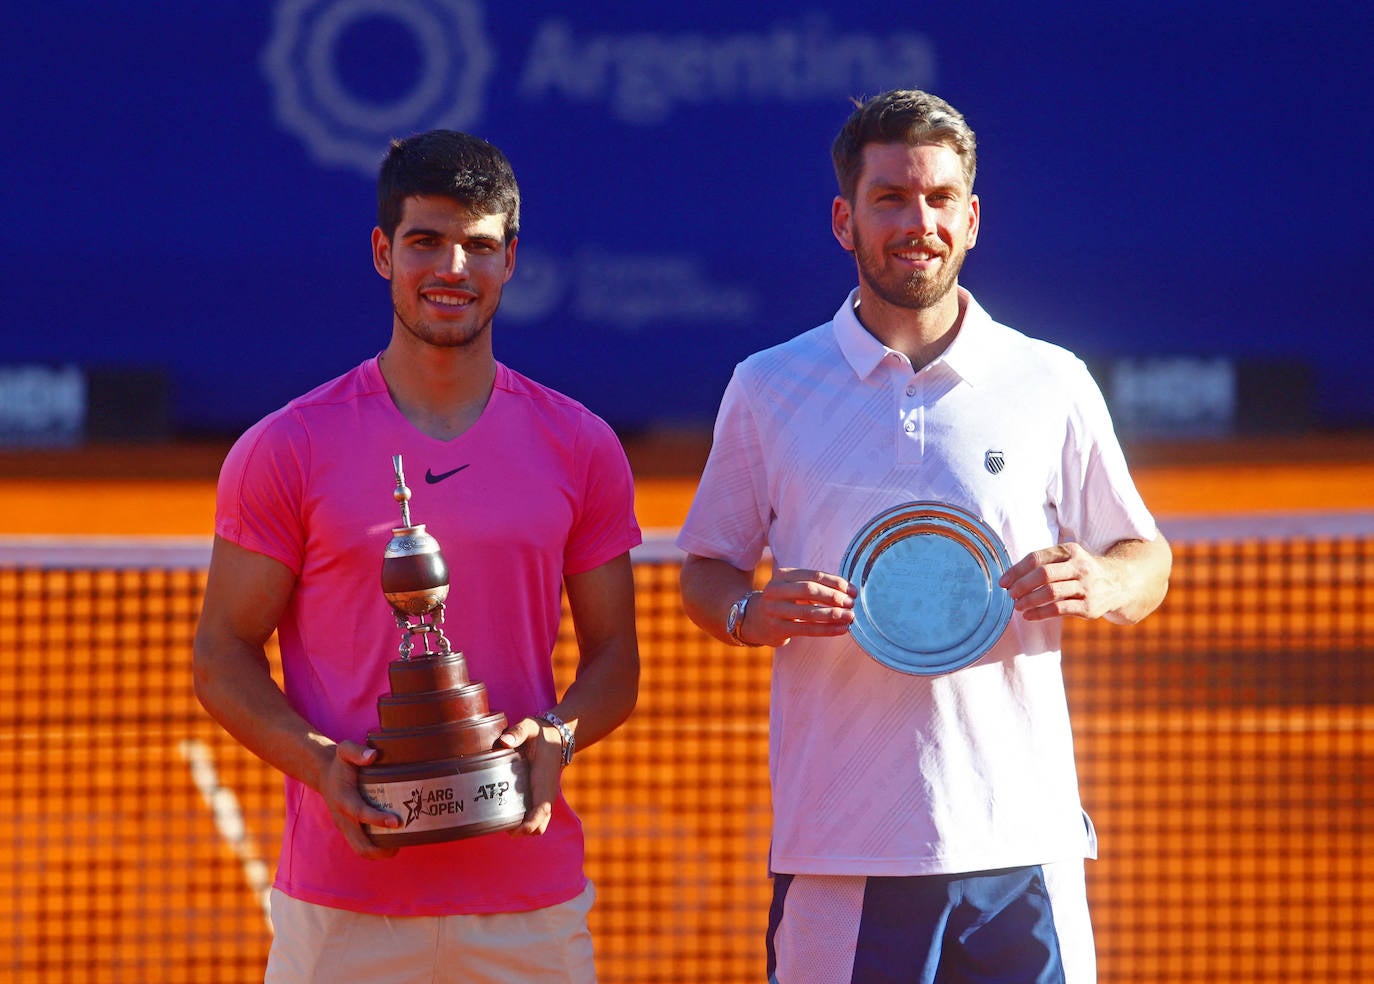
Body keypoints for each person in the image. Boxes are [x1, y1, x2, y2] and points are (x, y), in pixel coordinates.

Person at [677, 89, 1172, 984]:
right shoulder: (766, 387)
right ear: (845, 219)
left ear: (971, 218)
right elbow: (706, 568)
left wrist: (1101, 579)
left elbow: (1147, 561)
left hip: (1024, 845)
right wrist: (750, 608)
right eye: (891, 199)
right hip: (843, 849)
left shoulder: (1050, 380)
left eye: (940, 199)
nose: (919, 222)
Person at [193, 129, 641, 983]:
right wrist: (320, 763)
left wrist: (558, 734)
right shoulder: (285, 449)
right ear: (381, 252)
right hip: (344, 906)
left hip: (527, 908)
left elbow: (615, 656)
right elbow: (220, 653)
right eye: (426, 241)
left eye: (478, 245)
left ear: (511, 258)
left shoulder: (580, 446)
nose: (453, 269)